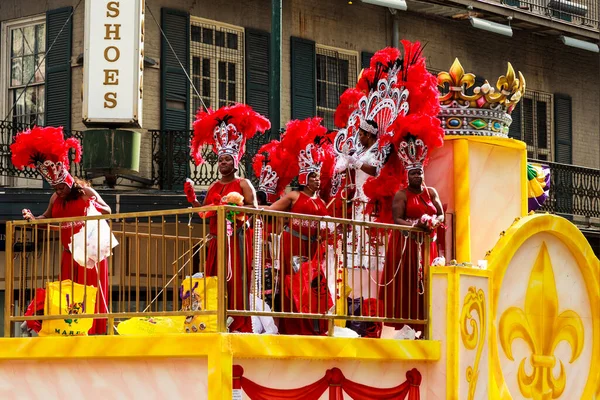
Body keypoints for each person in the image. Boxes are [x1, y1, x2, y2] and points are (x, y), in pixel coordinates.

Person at [11, 126, 112, 335]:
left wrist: (92, 207)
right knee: (70, 294)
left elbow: (107, 210)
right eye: (55, 188)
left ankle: (94, 332)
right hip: (68, 256)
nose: (58, 191)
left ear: (68, 181)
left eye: (61, 187)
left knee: (91, 294)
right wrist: (33, 219)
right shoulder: (56, 198)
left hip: (90, 255)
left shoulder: (85, 192)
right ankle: (71, 331)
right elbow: (46, 217)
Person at [186, 103, 270, 333]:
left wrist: (235, 208)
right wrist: (193, 199)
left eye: (227, 160)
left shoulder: (243, 183)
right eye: (221, 160)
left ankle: (239, 322)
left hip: (237, 241)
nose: (223, 163)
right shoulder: (213, 185)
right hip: (216, 240)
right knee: (215, 279)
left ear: (235, 162)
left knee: (236, 282)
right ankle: (216, 320)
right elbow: (203, 213)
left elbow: (254, 209)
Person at [268, 118, 335, 335]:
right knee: (293, 285)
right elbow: (271, 210)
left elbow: (327, 227)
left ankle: (313, 325)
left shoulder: (322, 202)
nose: (318, 180)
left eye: (318, 176)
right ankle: (292, 326)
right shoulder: (294, 196)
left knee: (313, 287)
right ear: (305, 178)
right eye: (314, 176)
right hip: (293, 246)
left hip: (313, 250)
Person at [380, 136, 444, 334]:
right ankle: (408, 325)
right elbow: (397, 219)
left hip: (428, 244)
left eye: (420, 172)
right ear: (408, 175)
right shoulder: (401, 195)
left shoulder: (431, 192)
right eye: (414, 173)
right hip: (407, 245)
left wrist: (434, 221)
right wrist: (416, 225)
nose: (418, 176)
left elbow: (441, 213)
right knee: (409, 283)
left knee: (428, 282)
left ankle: (427, 325)